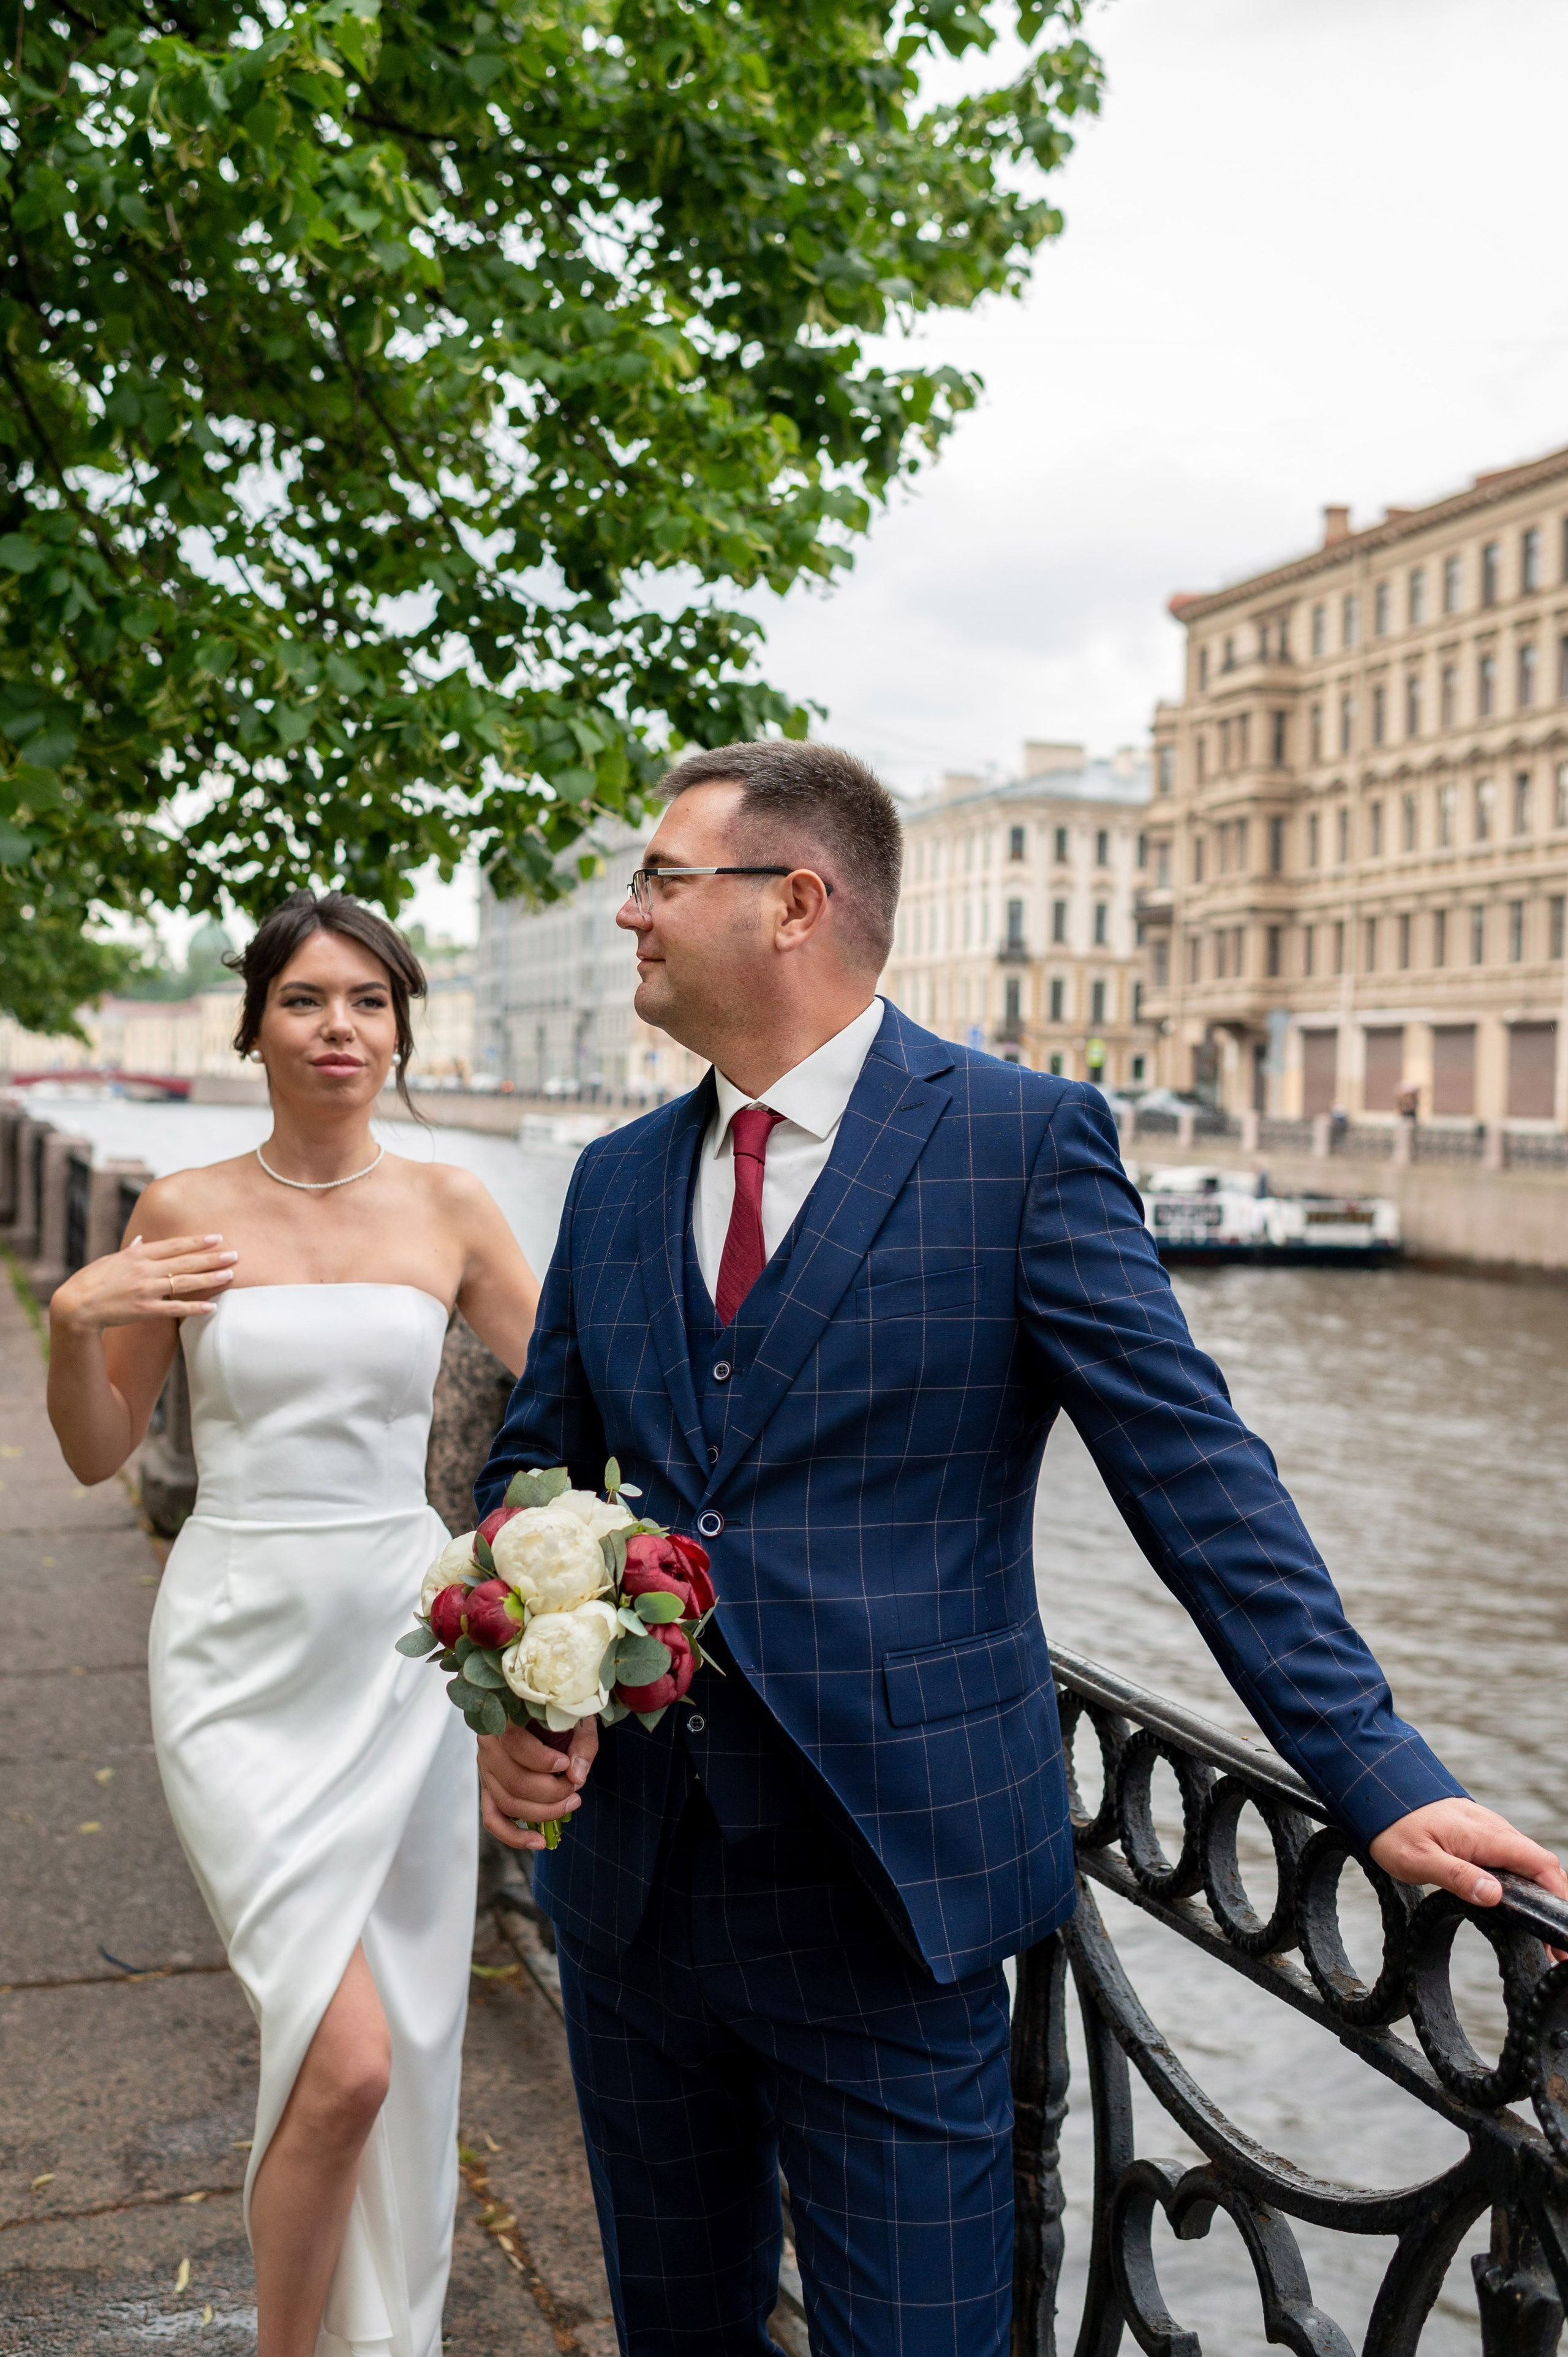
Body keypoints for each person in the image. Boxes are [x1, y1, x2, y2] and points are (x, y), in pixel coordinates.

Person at [473, 741, 1566, 2357]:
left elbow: (1194, 1475)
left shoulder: (1018, 1140)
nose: (630, 912)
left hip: (890, 1896)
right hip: (633, 1895)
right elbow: (532, 1472)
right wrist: (517, 1691)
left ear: (793, 903)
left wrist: (1373, 1767)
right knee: (674, 2331)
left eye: (660, 881)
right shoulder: (616, 1177)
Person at [47, 891, 540, 2357]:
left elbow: (582, 1393)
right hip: (236, 1658)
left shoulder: (453, 1207)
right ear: (254, 1025)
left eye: (370, 1001)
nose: (341, 1028)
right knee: (344, 2061)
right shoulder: (183, 1209)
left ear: (400, 1029)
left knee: (397, 2057)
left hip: (403, 1654)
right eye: (307, 999)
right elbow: (96, 1449)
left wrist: (550, 1603)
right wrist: (75, 1320)